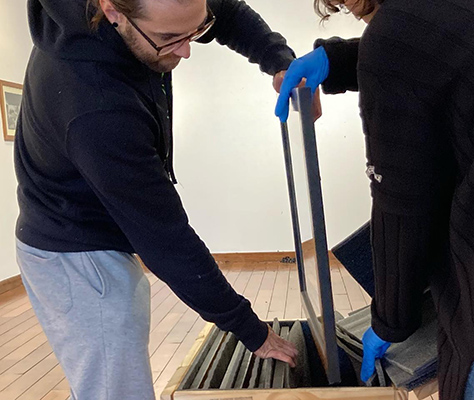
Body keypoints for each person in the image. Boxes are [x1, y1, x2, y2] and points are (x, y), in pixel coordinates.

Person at [276, 0, 474, 399]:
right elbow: (459, 43)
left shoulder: (399, 28)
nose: (349, 9)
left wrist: (389, 322)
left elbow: (401, 205)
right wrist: (341, 58)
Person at [15, 0, 300, 398]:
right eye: (169, 38)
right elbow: (167, 242)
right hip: (72, 249)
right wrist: (251, 330)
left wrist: (279, 60)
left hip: (105, 224)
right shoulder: (96, 106)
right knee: (116, 390)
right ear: (112, 11)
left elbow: (229, 13)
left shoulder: (162, 6)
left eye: (195, 32)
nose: (186, 51)